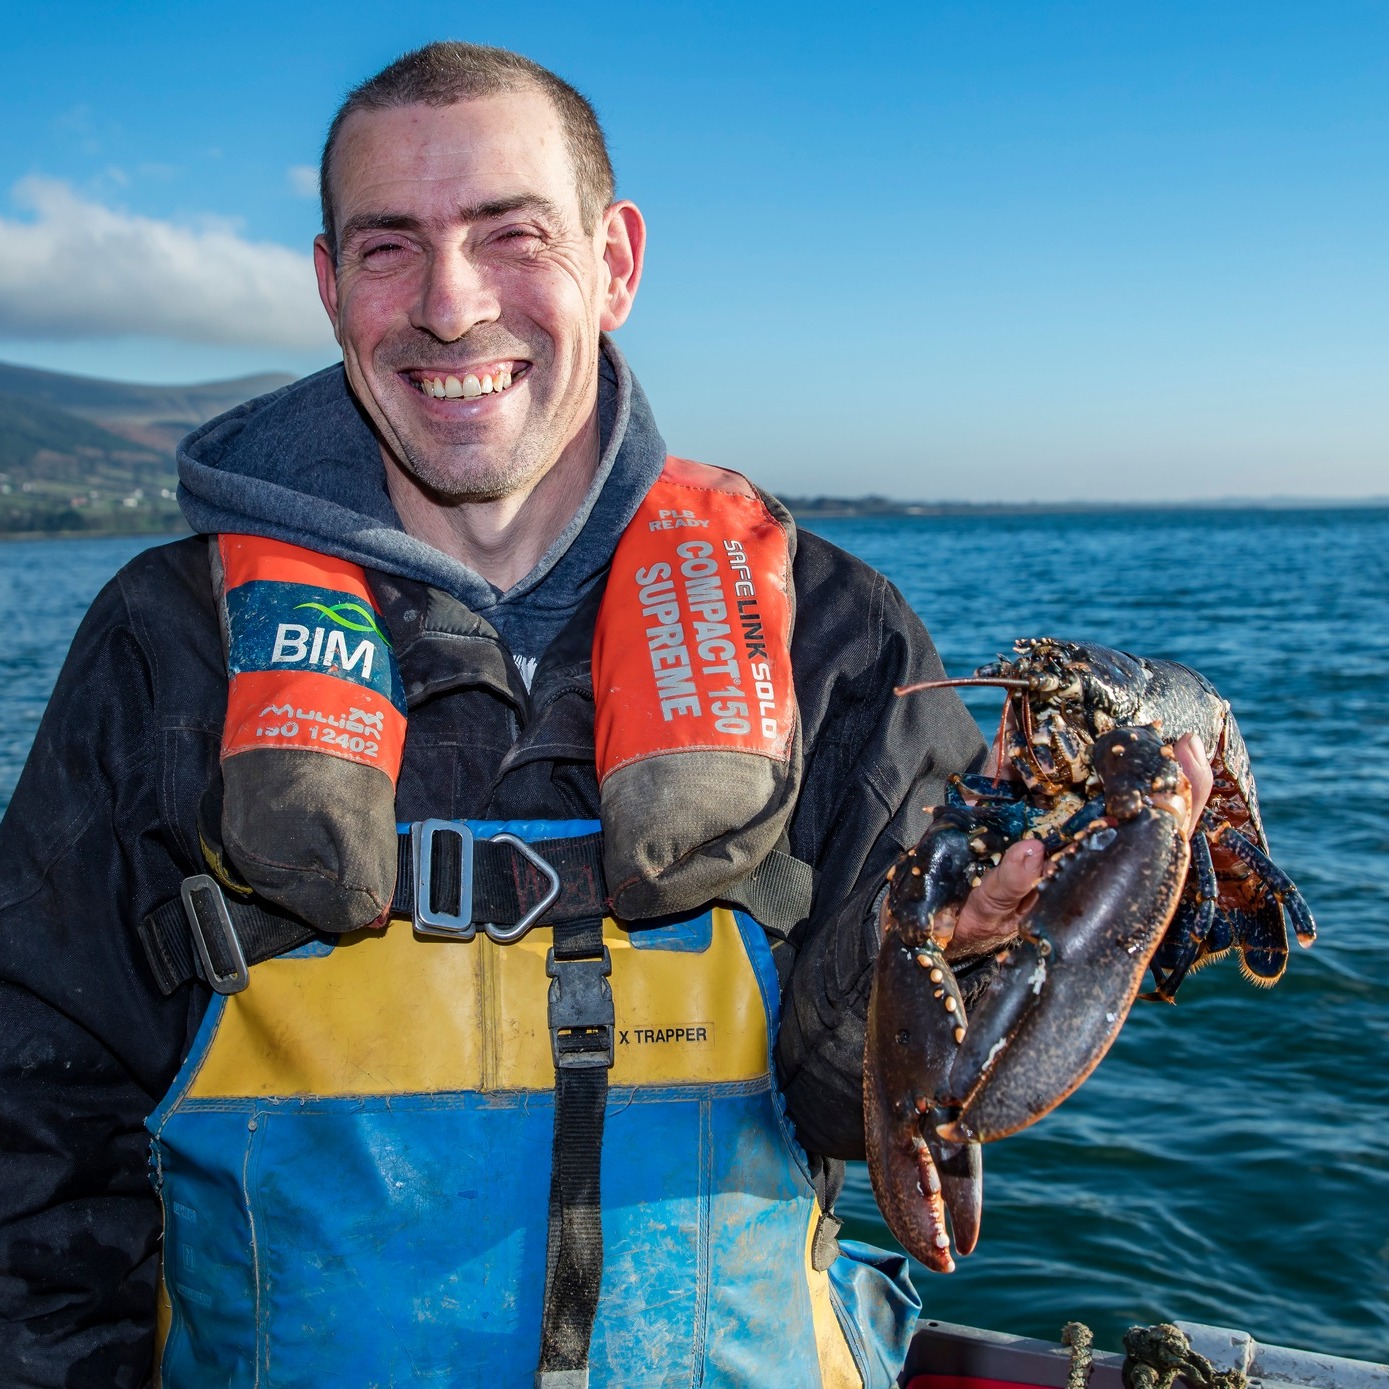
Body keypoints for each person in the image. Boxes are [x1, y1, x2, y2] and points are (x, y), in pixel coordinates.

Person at [0, 42, 1210, 1389]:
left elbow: (861, 1114)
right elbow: (34, 1118)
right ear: (330, 284)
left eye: (509, 234)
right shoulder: (169, 642)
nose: (452, 307)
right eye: (390, 246)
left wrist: (969, 956)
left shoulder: (833, 630)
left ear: (615, 261)